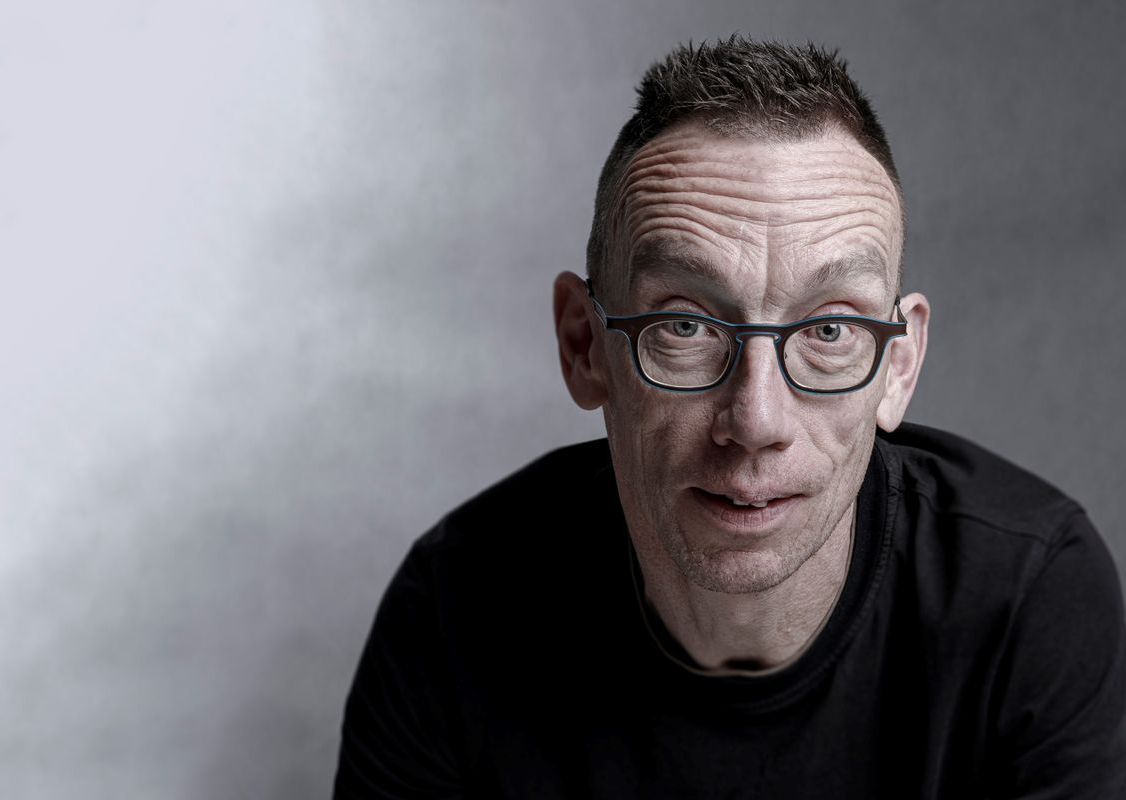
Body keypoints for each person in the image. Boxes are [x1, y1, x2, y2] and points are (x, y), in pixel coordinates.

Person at [333, 37, 1126, 798]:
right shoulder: (453, 609)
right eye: (684, 325)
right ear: (584, 345)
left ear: (898, 366)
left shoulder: (1028, 598)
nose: (755, 420)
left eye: (829, 330)